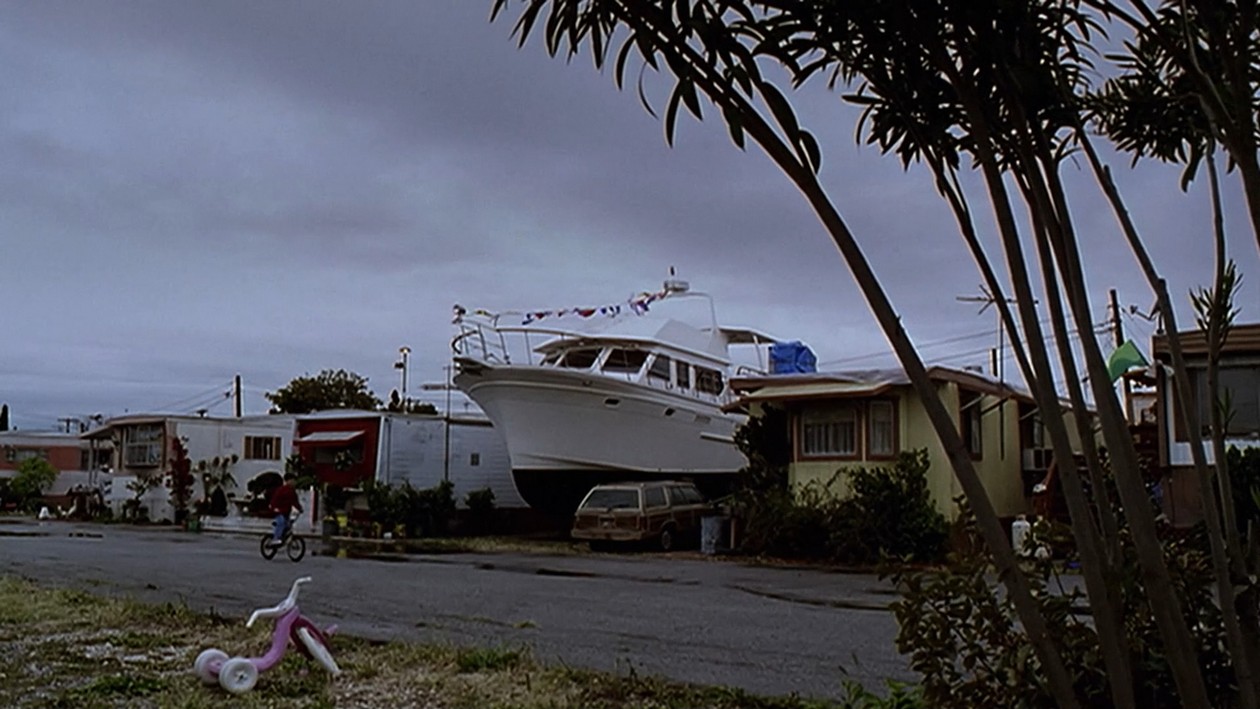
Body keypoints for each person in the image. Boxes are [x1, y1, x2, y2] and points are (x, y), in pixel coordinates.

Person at [268, 472, 303, 547]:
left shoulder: (292, 491)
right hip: (278, 511)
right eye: (293, 480)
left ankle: (283, 536)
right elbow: (274, 500)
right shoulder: (281, 490)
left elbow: (295, 501)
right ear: (288, 481)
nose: (294, 482)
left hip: (286, 512)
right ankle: (276, 538)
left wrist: (299, 509)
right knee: (281, 522)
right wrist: (274, 508)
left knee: (288, 524)